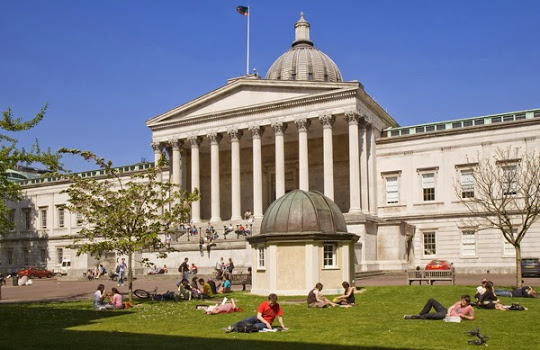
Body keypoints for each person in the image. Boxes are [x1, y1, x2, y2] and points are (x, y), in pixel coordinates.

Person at [404, 295, 475, 320]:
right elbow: (451, 307)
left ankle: (413, 317)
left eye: (463, 302)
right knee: (431, 300)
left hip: (446, 315)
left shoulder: (469, 308)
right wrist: (449, 313)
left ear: (467, 302)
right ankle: (421, 314)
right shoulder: (459, 303)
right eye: (461, 301)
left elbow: (472, 317)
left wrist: (464, 316)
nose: (461, 303)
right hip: (446, 312)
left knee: (430, 315)